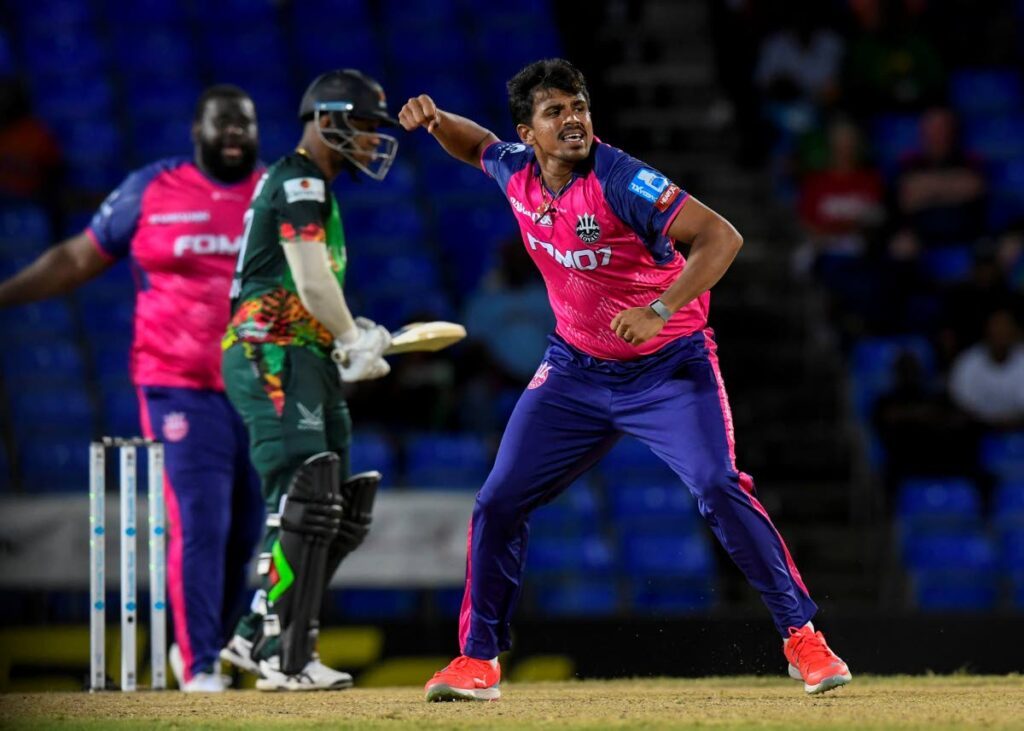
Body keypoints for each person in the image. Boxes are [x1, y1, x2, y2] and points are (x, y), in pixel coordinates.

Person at [399, 58, 852, 701]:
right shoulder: (516, 171)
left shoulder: (622, 180)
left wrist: (661, 308)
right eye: (555, 112)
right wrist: (437, 120)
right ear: (528, 133)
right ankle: (477, 661)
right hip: (573, 374)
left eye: (579, 107)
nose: (574, 120)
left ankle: (803, 637)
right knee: (498, 503)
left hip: (669, 369)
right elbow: (475, 145)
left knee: (718, 485)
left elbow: (721, 237)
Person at [0, 85, 266, 692]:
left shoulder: (276, 191)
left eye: (244, 127)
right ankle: (200, 665)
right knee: (201, 517)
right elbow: (74, 259)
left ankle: (207, 645)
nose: (233, 135)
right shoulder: (151, 189)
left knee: (246, 529)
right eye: (222, 125)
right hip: (177, 385)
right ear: (195, 132)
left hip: (258, 386)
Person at [219, 69, 396, 691]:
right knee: (300, 497)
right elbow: (312, 281)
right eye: (367, 126)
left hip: (303, 354)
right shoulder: (299, 179)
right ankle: (278, 653)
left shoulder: (314, 184)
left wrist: (347, 334)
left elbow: (313, 293)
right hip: (272, 355)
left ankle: (257, 635)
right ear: (329, 119)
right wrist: (351, 338)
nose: (375, 140)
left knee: (332, 509)